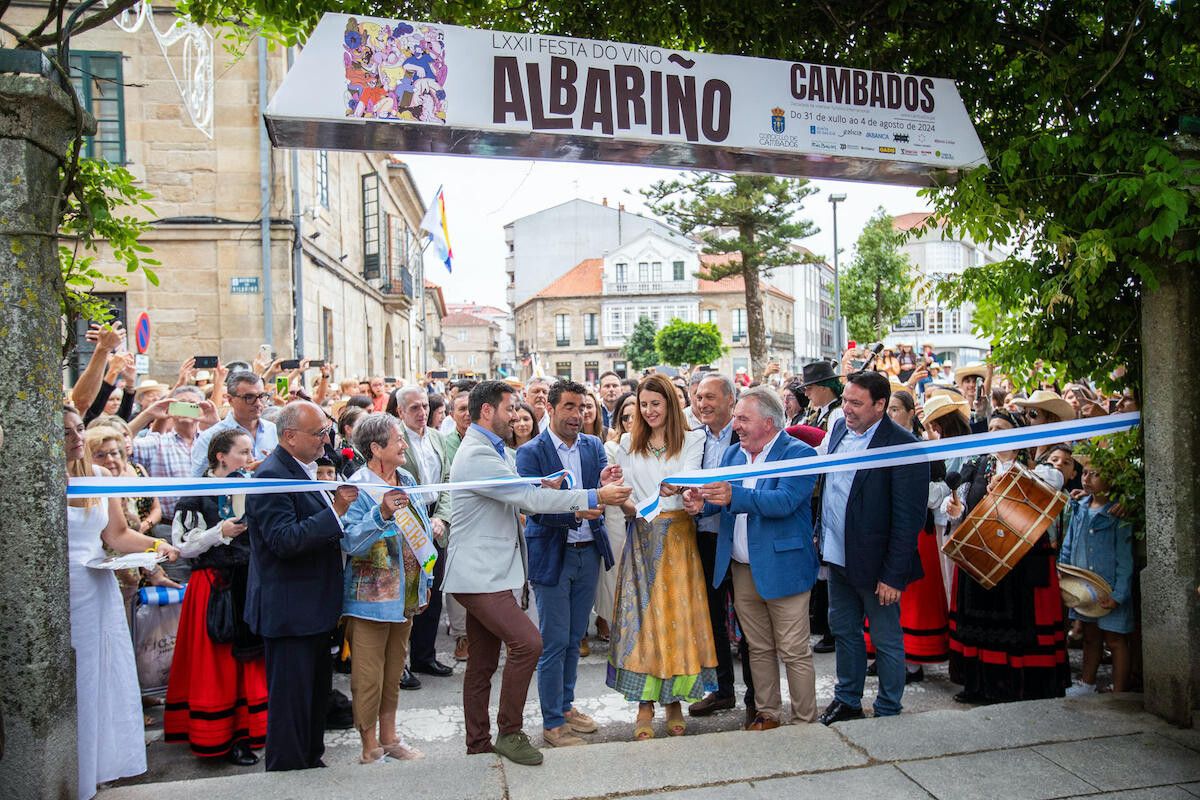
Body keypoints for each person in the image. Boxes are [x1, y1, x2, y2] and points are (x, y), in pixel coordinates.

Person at [443, 381, 631, 765]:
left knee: (481, 663)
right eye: (510, 409)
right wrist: (593, 497)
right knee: (530, 644)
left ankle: (478, 742)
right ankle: (511, 733)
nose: (516, 415)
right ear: (487, 412)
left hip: (488, 574)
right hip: (479, 575)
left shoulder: (491, 449)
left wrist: (545, 483)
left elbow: (523, 487)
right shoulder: (478, 453)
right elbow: (528, 500)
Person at [684, 387, 819, 730]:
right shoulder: (733, 455)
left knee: (793, 650)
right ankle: (768, 713)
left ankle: (805, 720)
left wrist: (732, 496)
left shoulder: (798, 453)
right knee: (757, 647)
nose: (736, 424)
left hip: (784, 567)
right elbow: (724, 498)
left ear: (769, 423)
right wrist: (703, 504)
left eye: (744, 418)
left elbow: (784, 501)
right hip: (742, 568)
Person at [64, 406, 181, 799]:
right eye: (67, 432)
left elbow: (117, 535)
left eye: (80, 427)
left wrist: (156, 544)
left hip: (97, 586)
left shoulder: (99, 478)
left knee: (101, 676)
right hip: (62, 587)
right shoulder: (36, 479)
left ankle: (97, 767)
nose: (76, 436)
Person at [244, 401, 359, 771]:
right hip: (290, 612)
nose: (326, 441)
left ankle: (311, 762)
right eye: (319, 433)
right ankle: (289, 773)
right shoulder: (271, 475)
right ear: (290, 436)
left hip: (313, 609)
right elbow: (284, 541)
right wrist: (335, 513)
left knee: (313, 701)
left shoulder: (302, 469)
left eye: (327, 431)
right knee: (291, 706)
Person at [816, 371, 928, 725]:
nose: (846, 409)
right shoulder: (838, 431)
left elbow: (908, 519)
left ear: (880, 405)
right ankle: (847, 700)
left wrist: (893, 576)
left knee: (885, 639)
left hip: (877, 566)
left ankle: (888, 709)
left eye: (855, 403)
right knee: (845, 631)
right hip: (837, 555)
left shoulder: (903, 447)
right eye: (845, 401)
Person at [608, 374, 714, 740]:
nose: (650, 411)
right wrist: (628, 503)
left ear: (670, 404)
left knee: (676, 617)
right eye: (644, 404)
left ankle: (673, 701)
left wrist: (683, 490)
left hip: (679, 536)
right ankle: (644, 703)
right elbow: (620, 492)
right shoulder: (626, 443)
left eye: (656, 403)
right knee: (644, 619)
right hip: (641, 534)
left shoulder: (693, 439)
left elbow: (695, 482)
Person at [515, 380, 617, 748]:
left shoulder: (593, 446)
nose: (577, 415)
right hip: (552, 555)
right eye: (570, 407)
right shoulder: (530, 453)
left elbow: (602, 486)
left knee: (575, 638)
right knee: (554, 642)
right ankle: (552, 722)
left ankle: (567, 706)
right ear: (552, 408)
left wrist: (608, 480)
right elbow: (534, 510)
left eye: (582, 407)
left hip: (588, 551)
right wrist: (576, 509)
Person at [944, 409, 1070, 704]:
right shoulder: (976, 464)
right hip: (981, 552)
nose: (993, 434)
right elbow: (961, 503)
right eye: (990, 428)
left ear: (1018, 434)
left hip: (1018, 560)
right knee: (978, 624)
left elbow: (1052, 486)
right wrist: (956, 510)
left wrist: (1015, 479)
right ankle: (977, 684)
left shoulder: (1036, 467)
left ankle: (1011, 686)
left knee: (1012, 625)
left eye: (1001, 428)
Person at [165, 429, 266, 766]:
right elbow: (182, 545)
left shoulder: (251, 486)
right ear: (221, 456)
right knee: (218, 664)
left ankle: (247, 730)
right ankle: (221, 736)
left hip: (245, 580)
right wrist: (218, 533)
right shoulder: (196, 492)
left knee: (248, 660)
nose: (248, 457)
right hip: (213, 584)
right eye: (242, 451)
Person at [340, 413, 434, 763]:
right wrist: (380, 513)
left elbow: (419, 529)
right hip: (371, 598)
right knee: (368, 675)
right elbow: (351, 542)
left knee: (395, 668)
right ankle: (369, 744)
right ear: (376, 448)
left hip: (406, 593)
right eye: (398, 440)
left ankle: (390, 736)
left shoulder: (406, 477)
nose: (404, 444)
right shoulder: (358, 487)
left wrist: (425, 581)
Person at [685, 374, 757, 725]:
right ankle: (723, 690)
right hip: (704, 537)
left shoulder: (746, 435)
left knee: (747, 619)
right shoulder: (694, 438)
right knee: (713, 618)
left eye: (711, 397)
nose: (703, 404)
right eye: (698, 397)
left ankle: (757, 696)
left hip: (739, 537)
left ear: (731, 400)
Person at [1059, 457, 1134, 695]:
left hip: (1110, 586)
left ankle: (1120, 690)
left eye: (1095, 474)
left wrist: (1119, 594)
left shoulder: (1117, 513)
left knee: (1115, 639)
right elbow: (1069, 541)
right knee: (1091, 637)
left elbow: (1125, 558)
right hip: (1084, 586)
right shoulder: (1080, 506)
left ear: (1111, 479)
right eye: (1085, 473)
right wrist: (1064, 569)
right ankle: (1087, 683)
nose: (1087, 478)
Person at [393, 386, 454, 680]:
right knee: (407, 593)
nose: (422, 413)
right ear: (400, 412)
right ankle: (400, 663)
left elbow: (446, 480)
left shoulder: (437, 439)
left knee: (431, 590)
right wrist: (416, 521)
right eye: (414, 408)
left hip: (435, 526)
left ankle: (424, 656)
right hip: (407, 525)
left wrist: (441, 517)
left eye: (424, 407)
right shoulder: (394, 440)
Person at [799, 360, 843, 654]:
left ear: (824, 387)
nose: (808, 394)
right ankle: (825, 623)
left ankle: (831, 629)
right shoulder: (818, 413)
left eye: (811, 388)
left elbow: (827, 452)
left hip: (827, 490)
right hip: (815, 489)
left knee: (827, 559)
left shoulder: (837, 413)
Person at [595, 392, 635, 643]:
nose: (631, 420)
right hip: (616, 516)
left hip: (644, 516)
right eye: (626, 416)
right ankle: (611, 620)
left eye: (636, 415)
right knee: (615, 571)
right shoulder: (611, 447)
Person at [191, 371, 278, 476]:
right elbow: (198, 481)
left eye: (262, 396)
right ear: (230, 399)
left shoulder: (275, 431)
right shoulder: (209, 437)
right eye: (249, 397)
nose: (258, 403)